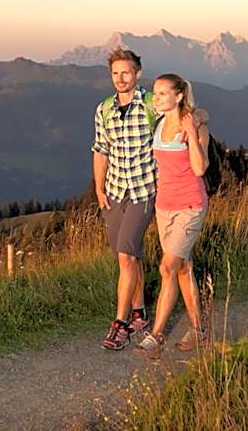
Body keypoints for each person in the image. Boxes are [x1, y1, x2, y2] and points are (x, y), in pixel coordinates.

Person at [135, 74, 210, 358]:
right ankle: (199, 330)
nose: (156, 97)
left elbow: (200, 168)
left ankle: (155, 337)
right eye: (155, 93)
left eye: (163, 93)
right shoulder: (158, 121)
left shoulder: (195, 125)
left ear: (178, 96)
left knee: (167, 268)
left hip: (190, 206)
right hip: (164, 207)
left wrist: (192, 131)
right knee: (182, 268)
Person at [92, 48, 157, 350]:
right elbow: (100, 149)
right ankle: (140, 313)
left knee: (126, 256)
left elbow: (181, 115)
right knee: (130, 255)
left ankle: (121, 325)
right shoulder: (103, 109)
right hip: (115, 191)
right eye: (115, 73)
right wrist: (99, 188)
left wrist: (200, 118)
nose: (120, 78)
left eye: (126, 72)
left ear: (137, 74)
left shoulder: (150, 105)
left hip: (143, 191)